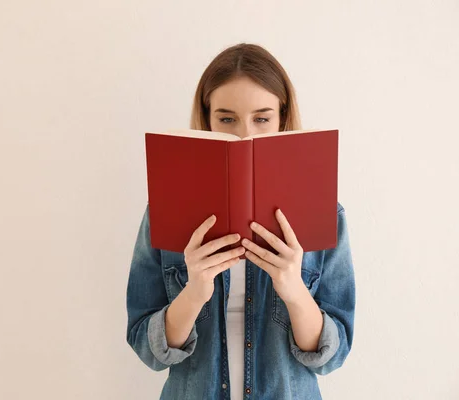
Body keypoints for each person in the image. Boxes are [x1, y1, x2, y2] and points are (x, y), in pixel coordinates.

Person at [126, 43, 355, 400]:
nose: (243, 135)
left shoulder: (323, 212)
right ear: (207, 119)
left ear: (282, 118)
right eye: (227, 118)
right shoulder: (165, 211)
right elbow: (145, 344)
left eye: (262, 118)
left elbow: (331, 356)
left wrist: (294, 290)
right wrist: (194, 293)